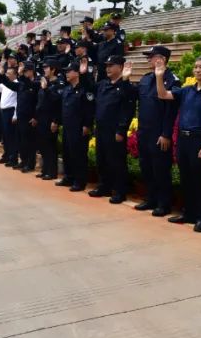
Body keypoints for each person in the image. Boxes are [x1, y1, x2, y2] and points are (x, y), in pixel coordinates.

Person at [153, 55, 201, 233]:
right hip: (184, 139)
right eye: (195, 67)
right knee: (186, 179)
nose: (197, 70)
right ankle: (189, 213)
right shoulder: (187, 90)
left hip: (200, 140)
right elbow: (162, 94)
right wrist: (159, 76)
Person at [132, 45, 179, 217]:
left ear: (162, 59)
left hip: (159, 133)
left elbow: (171, 110)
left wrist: (166, 133)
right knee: (146, 167)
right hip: (144, 131)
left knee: (161, 169)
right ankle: (150, 198)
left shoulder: (172, 79)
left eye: (152, 56)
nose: (149, 60)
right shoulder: (145, 79)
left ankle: (163, 203)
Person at [92, 55, 137, 204]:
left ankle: (119, 191)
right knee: (102, 159)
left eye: (111, 65)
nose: (108, 68)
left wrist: (121, 129)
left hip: (115, 130)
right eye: (107, 66)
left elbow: (127, 109)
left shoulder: (127, 86)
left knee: (116, 161)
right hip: (101, 128)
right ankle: (104, 186)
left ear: (121, 67)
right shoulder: (104, 84)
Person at [55, 64, 94, 191]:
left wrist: (87, 125)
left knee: (78, 154)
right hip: (67, 126)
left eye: (69, 71)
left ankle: (79, 180)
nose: (66, 73)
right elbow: (63, 108)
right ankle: (69, 177)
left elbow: (89, 109)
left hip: (79, 127)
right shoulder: (67, 89)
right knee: (67, 153)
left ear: (77, 73)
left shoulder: (84, 89)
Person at [0, 61, 40, 172]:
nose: (23, 73)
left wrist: (35, 117)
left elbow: (38, 103)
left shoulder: (36, 83)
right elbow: (8, 83)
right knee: (21, 141)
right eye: (23, 71)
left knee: (29, 142)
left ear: (31, 71)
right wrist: (1, 75)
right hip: (21, 116)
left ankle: (30, 164)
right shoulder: (21, 85)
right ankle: (23, 161)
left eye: (25, 71)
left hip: (30, 118)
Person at [35, 58, 64, 180]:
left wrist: (55, 121)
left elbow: (57, 102)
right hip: (41, 118)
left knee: (50, 146)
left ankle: (52, 172)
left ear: (53, 69)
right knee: (42, 145)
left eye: (47, 68)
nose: (44, 70)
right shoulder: (44, 82)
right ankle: (45, 169)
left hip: (51, 119)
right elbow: (40, 101)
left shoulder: (59, 84)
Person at [0, 63, 19, 167]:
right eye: (7, 73)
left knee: (11, 136)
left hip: (11, 111)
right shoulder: (5, 84)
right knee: (5, 136)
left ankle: (13, 157)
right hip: (3, 112)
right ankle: (6, 155)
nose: (7, 75)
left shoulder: (16, 84)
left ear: (15, 74)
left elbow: (17, 102)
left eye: (10, 73)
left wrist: (15, 115)